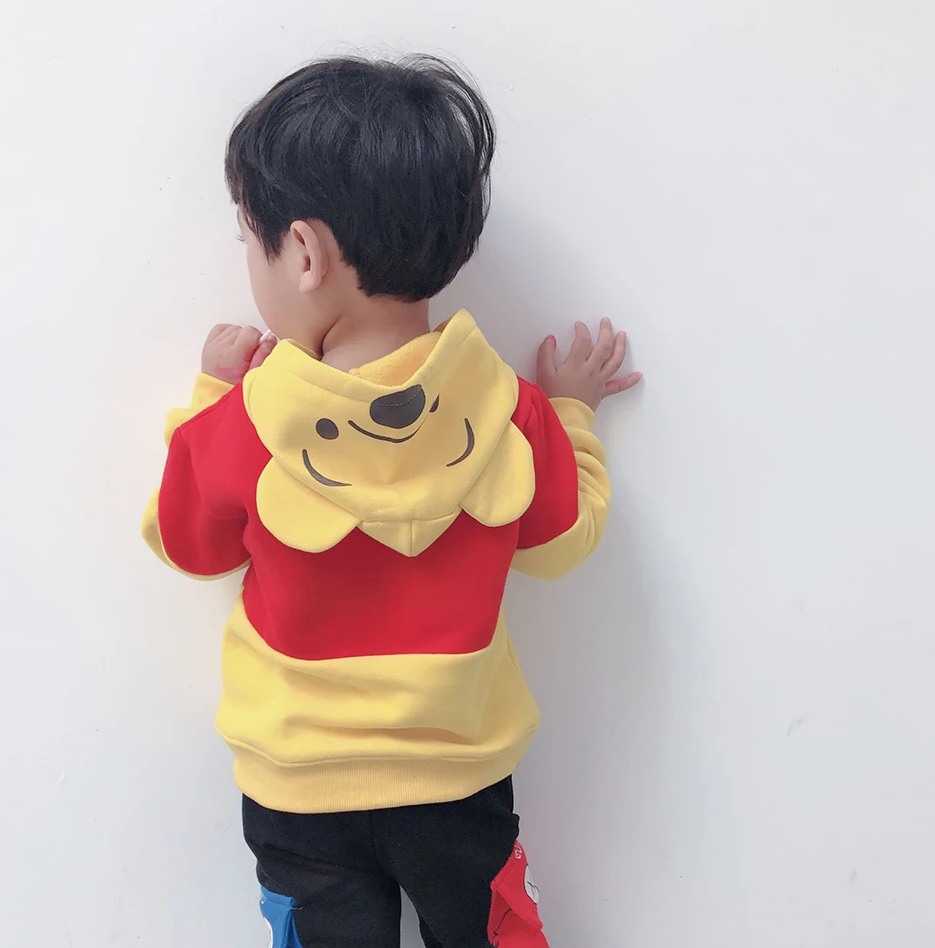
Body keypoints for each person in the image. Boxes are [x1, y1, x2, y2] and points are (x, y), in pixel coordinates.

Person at [142, 54, 641, 948]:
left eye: (249, 240)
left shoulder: (248, 423)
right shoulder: (509, 412)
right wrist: (571, 410)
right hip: (458, 781)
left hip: (299, 783)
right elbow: (566, 540)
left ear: (302, 253)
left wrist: (210, 395)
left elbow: (189, 546)